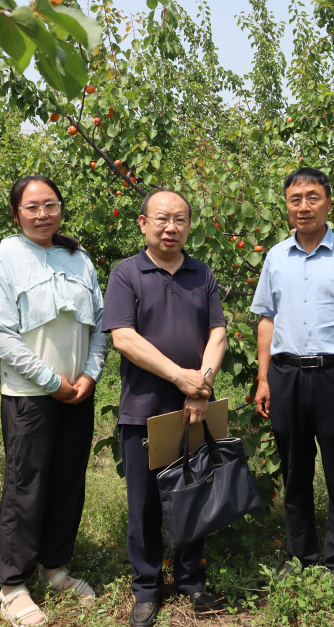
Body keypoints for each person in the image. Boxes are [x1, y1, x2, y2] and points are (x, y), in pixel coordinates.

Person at [0, 175, 108, 626]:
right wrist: (50, 380)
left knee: (68, 481)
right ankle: (12, 586)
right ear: (16, 213)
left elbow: (100, 326)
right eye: (32, 207)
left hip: (77, 394)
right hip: (30, 396)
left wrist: (90, 374)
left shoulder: (79, 257)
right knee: (26, 486)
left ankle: (55, 567)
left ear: (60, 208)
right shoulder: (4, 257)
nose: (42, 214)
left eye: (50, 205)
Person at [252, 167, 334, 601]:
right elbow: (266, 320)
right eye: (295, 199)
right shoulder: (275, 257)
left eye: (312, 197)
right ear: (287, 206)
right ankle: (300, 555)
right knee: (295, 471)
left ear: (329, 202)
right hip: (286, 375)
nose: (304, 206)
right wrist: (263, 378)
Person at [101, 189, 228, 627]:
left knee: (194, 495)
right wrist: (180, 377)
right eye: (162, 218)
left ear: (189, 226)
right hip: (144, 409)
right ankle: (147, 588)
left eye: (180, 220)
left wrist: (201, 386)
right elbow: (124, 338)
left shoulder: (201, 272)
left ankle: (191, 580)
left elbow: (217, 334)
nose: (171, 227)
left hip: (195, 409)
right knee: (144, 506)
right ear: (143, 223)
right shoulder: (126, 273)